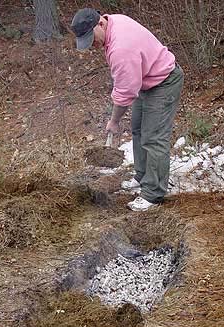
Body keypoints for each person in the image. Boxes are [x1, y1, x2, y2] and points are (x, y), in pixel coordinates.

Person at [71, 8, 184, 211]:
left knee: (154, 138)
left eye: (91, 38)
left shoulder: (120, 48)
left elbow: (125, 92)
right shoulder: (114, 20)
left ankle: (153, 194)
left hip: (164, 81)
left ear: (101, 24)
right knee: (138, 130)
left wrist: (113, 121)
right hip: (147, 80)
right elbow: (128, 83)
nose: (92, 45)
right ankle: (143, 176)